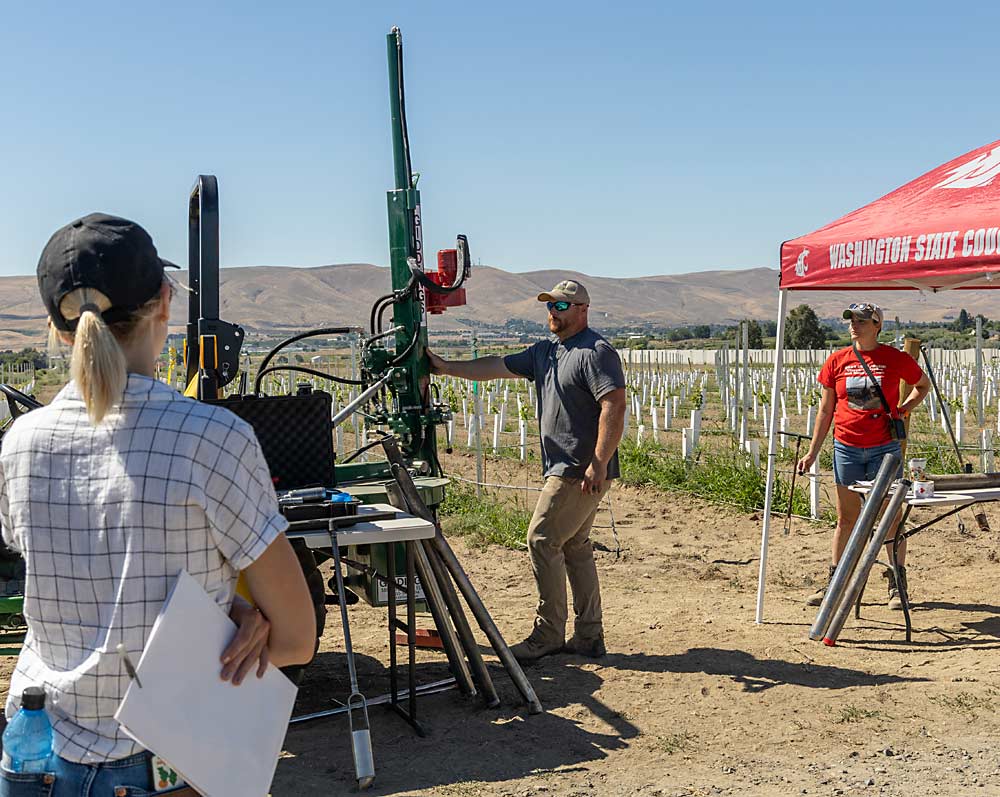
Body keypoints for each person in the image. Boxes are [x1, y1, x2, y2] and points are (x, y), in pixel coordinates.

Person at [0, 213, 316, 796]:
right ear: (165, 301)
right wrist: (239, 614)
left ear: (57, 328)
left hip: (35, 754)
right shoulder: (212, 437)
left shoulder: (20, 442)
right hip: (164, 758)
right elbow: (296, 637)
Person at [427, 279, 626, 664]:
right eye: (550, 306)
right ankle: (588, 636)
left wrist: (598, 462)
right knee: (574, 546)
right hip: (568, 466)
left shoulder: (596, 352)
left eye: (562, 307)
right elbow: (495, 367)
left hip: (577, 469)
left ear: (582, 309)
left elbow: (614, 406)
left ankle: (548, 633)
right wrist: (448, 368)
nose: (553, 312)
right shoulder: (545, 352)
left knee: (541, 540)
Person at [797, 302, 931, 610]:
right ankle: (836, 584)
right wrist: (813, 451)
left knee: (890, 518)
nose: (854, 325)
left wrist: (903, 409)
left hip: (885, 447)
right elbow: (826, 410)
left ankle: (897, 586)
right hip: (846, 446)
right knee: (846, 519)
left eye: (861, 320)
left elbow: (921, 385)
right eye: (851, 320)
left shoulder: (893, 359)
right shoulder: (837, 361)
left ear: (877, 325)